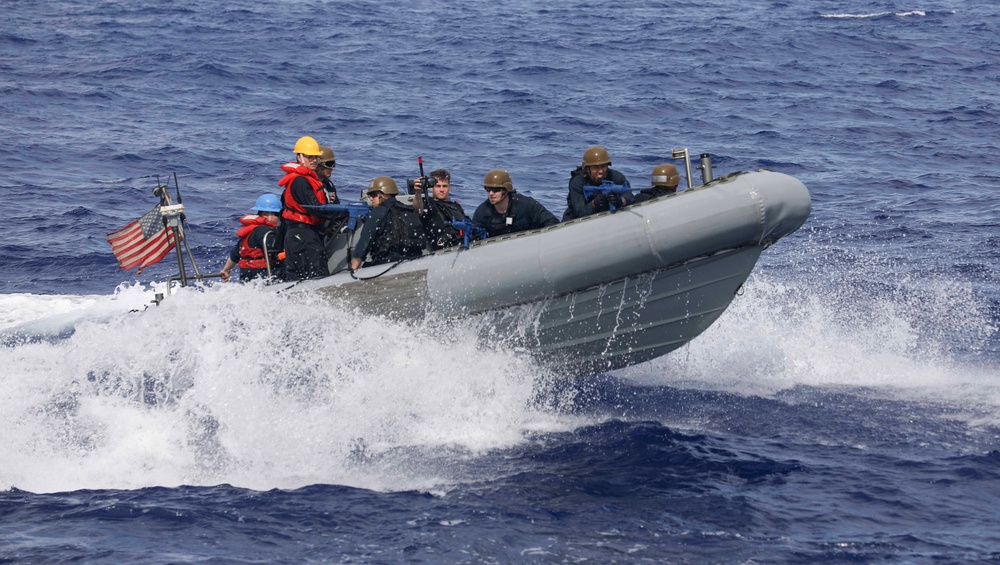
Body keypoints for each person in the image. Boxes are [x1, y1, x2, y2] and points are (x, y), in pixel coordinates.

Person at [278, 136, 330, 280]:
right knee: (317, 272)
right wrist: (341, 214)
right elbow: (316, 208)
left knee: (301, 275)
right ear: (299, 157)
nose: (314, 160)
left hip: (301, 234)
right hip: (301, 235)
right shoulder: (300, 181)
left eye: (316, 157)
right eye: (310, 157)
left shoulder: (306, 179)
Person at [350, 177, 427, 270]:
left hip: (385, 266)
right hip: (413, 264)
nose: (370, 198)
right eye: (370, 195)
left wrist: (353, 270)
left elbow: (363, 245)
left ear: (385, 195)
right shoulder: (408, 210)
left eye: (374, 195)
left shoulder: (377, 213)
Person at [472, 169, 559, 238]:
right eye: (488, 189)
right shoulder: (482, 212)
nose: (491, 193)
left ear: (506, 190)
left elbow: (552, 223)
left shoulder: (526, 205)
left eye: (496, 190)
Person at [220, 193, 283, 282]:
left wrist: (226, 270)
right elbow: (274, 246)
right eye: (277, 214)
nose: (279, 218)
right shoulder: (263, 230)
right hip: (262, 273)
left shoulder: (249, 231)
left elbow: (235, 255)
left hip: (246, 274)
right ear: (265, 214)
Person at [562, 146, 634, 220]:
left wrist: (621, 200)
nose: (600, 171)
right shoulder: (578, 182)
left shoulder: (616, 177)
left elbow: (629, 196)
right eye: (596, 167)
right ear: (587, 169)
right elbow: (580, 211)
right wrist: (594, 204)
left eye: (603, 166)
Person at [413, 169, 469, 250]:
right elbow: (418, 211)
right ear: (432, 188)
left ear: (449, 187)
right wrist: (418, 193)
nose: (442, 190)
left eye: (445, 186)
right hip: (443, 250)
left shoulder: (456, 206)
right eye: (438, 186)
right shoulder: (428, 205)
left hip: (463, 244)